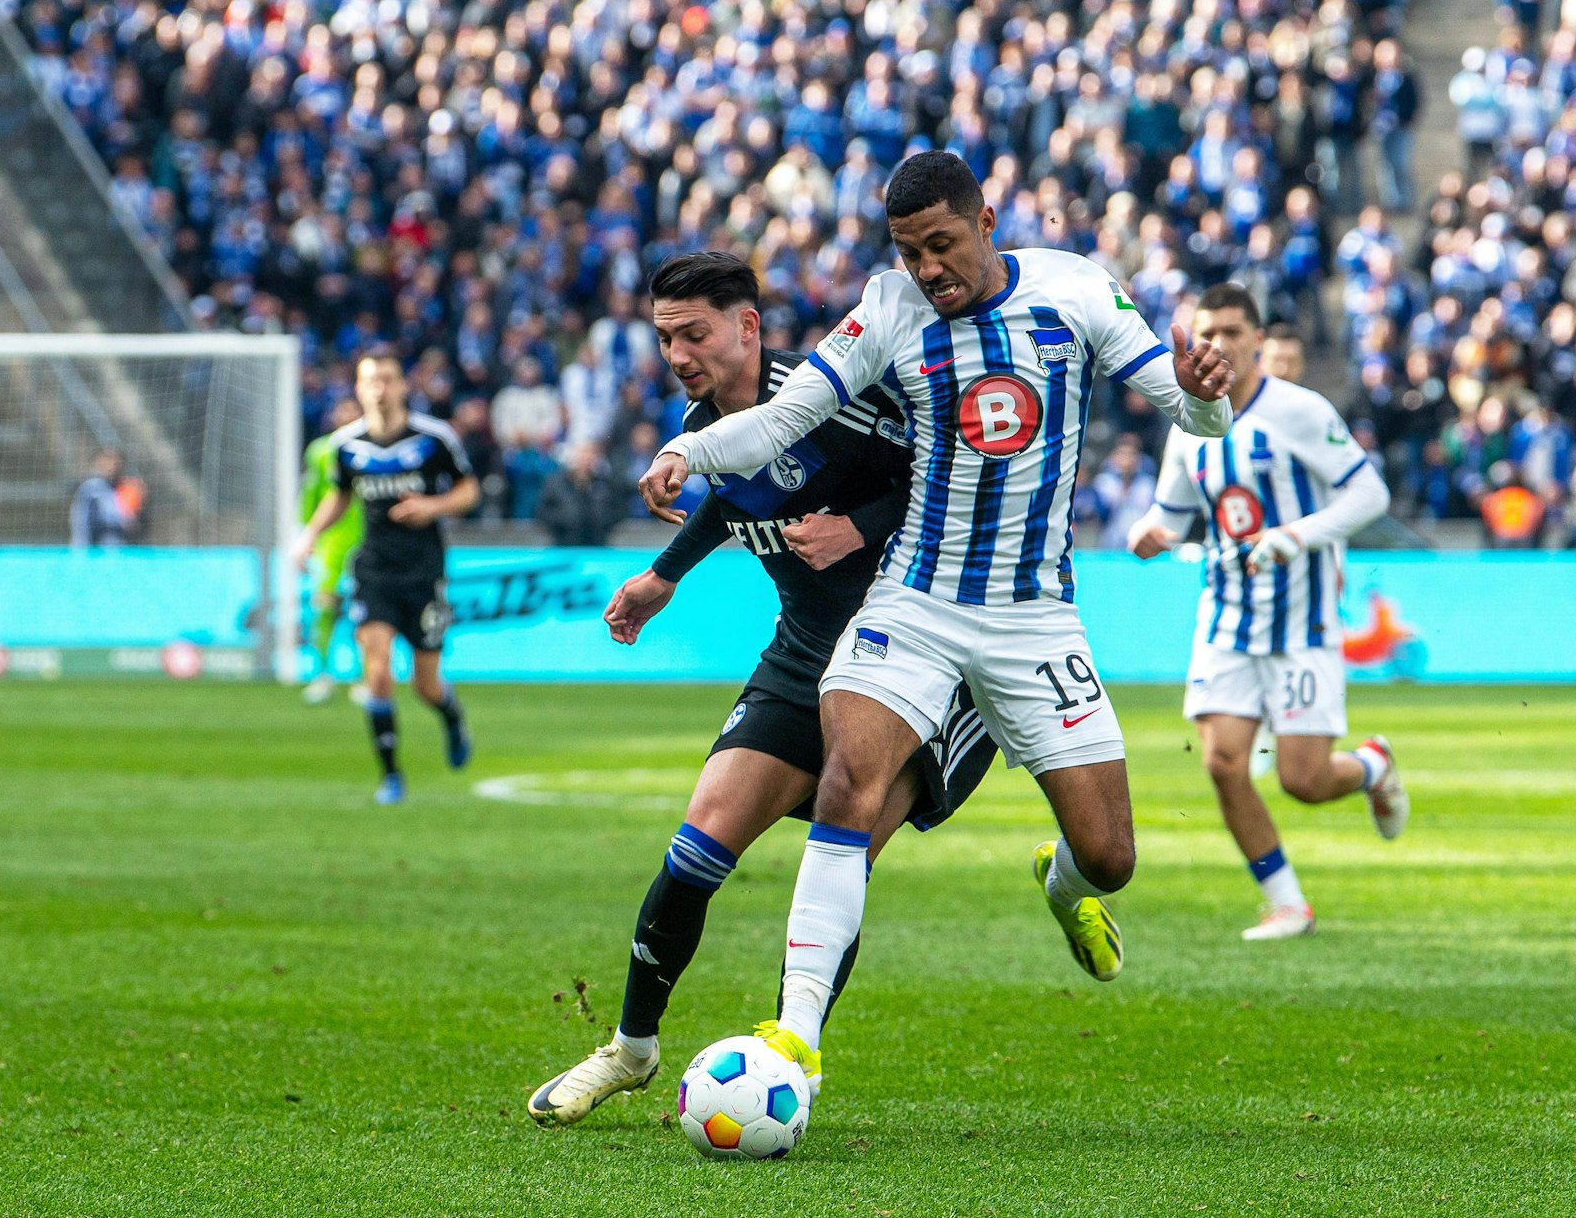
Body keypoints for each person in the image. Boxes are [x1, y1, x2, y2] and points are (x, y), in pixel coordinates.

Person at [638, 152, 1233, 1095]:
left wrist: (1205, 388)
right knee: (849, 781)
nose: (928, 270)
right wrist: (688, 446)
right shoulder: (887, 310)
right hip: (912, 602)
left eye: (942, 246)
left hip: (1034, 617)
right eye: (910, 252)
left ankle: (1062, 884)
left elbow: (1193, 415)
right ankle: (795, 1038)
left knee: (1110, 857)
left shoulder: (1075, 290)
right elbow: (785, 417)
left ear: (987, 222)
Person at [529, 252, 996, 1127]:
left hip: (920, 662)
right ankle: (631, 1049)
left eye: (694, 333)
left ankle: (793, 1053)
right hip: (805, 651)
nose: (677, 353)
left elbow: (951, 478)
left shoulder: (838, 394)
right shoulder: (705, 423)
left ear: (748, 326)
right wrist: (666, 576)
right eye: (665, 337)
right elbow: (736, 489)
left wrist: (859, 525)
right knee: (697, 845)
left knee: (838, 851)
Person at [1125, 284, 1408, 941]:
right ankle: (1287, 902)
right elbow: (1170, 513)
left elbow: (1370, 493)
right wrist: (1150, 533)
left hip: (1302, 619)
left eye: (1230, 332)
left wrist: (1295, 536)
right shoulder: (1188, 419)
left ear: (1257, 340)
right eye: (1207, 334)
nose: (1218, 345)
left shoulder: (1300, 411)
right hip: (1225, 614)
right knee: (1223, 761)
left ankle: (1373, 765)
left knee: (1303, 780)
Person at [293, 348, 479, 805]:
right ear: (358, 389)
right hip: (373, 570)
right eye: (371, 381)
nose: (379, 389)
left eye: (388, 379)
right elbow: (339, 495)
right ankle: (391, 775)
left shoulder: (433, 439)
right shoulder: (346, 445)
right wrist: (309, 535)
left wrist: (431, 507)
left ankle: (451, 717)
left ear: (402, 386)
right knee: (375, 673)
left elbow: (468, 490)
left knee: (424, 684)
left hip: (424, 572)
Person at [298, 397, 367, 704]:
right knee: (324, 608)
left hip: (367, 539)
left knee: (365, 612)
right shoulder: (320, 450)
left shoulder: (373, 447)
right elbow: (312, 494)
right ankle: (322, 676)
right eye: (343, 408)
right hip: (331, 542)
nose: (347, 413)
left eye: (352, 409)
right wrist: (305, 535)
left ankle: (365, 678)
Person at [69, 448, 134, 549]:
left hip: (116, 548)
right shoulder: (92, 487)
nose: (113, 465)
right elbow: (82, 522)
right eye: (108, 460)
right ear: (99, 462)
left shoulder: (124, 487)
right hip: (96, 549)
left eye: (116, 461)